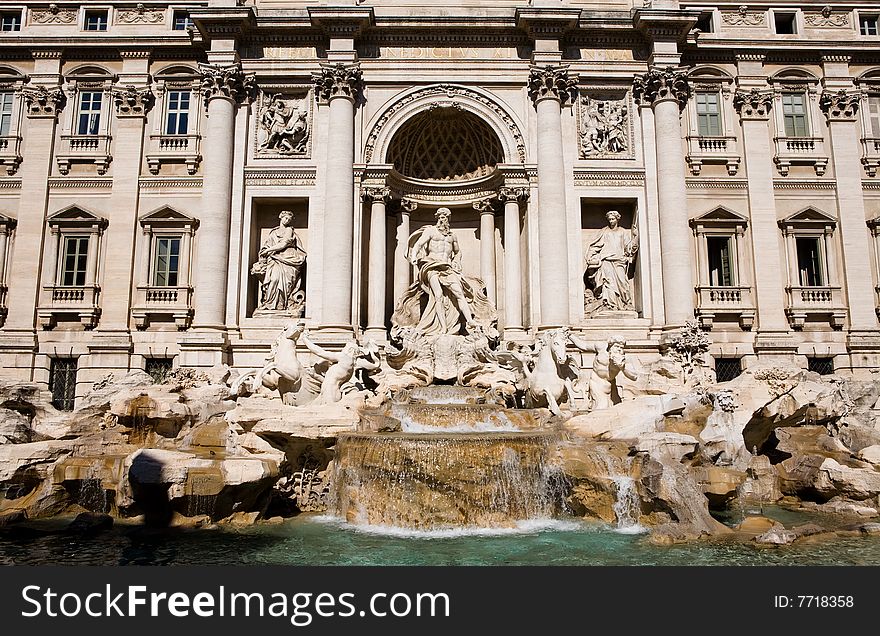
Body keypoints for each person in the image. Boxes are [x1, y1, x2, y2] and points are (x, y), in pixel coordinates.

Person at [252, 210, 306, 312]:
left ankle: (281, 305)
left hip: (288, 258)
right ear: (280, 217)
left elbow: (283, 244)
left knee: (285, 284)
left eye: (289, 220)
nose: (287, 221)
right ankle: (269, 303)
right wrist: (264, 251)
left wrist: (268, 250)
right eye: (286, 218)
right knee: (274, 279)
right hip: (275, 260)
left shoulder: (289, 230)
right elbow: (267, 244)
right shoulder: (274, 232)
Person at [584, 209, 638, 312]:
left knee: (622, 282)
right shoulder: (604, 231)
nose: (611, 221)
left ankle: (627, 302)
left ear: (617, 219)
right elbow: (596, 245)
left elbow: (628, 247)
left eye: (613, 219)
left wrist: (635, 237)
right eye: (609, 219)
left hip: (619, 260)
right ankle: (609, 304)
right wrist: (591, 256)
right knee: (608, 283)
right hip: (606, 260)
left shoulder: (622, 231)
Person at [569, 333, 639, 411]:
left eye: (621, 348)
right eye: (616, 346)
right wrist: (570, 336)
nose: (619, 349)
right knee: (601, 408)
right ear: (610, 346)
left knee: (617, 409)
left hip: (611, 385)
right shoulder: (600, 347)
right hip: (596, 382)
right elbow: (584, 346)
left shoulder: (624, 359)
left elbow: (634, 377)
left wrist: (622, 367)